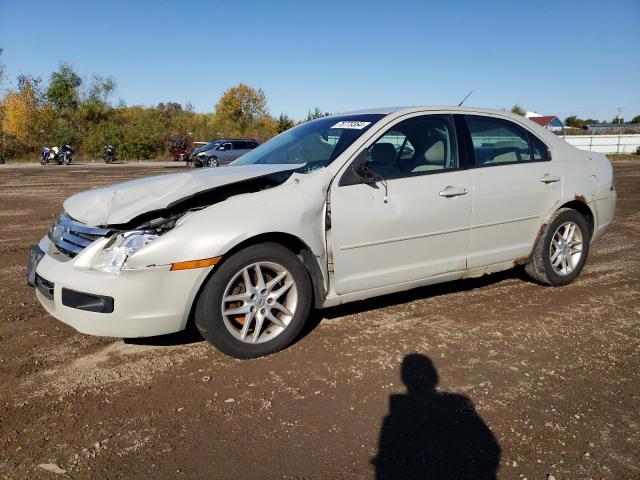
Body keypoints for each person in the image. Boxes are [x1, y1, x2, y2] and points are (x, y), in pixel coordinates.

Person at [372, 354, 501, 479]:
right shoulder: (457, 405)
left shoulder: (394, 420)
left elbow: (386, 467)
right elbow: (491, 450)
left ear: (404, 379)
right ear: (434, 377)